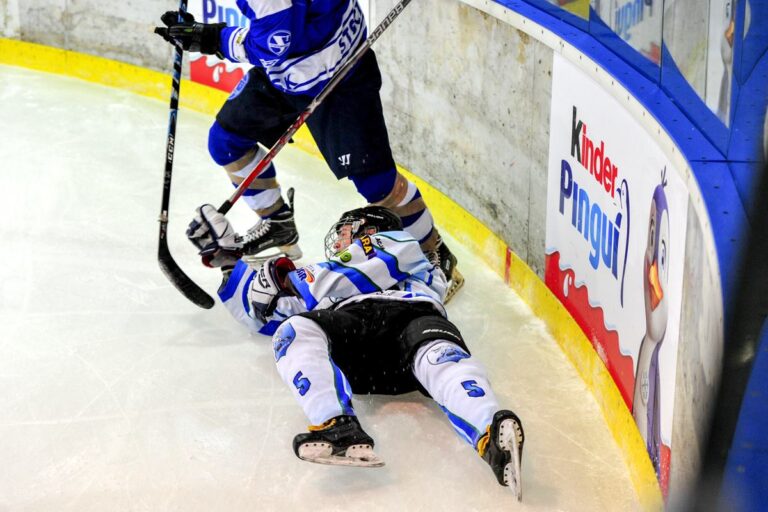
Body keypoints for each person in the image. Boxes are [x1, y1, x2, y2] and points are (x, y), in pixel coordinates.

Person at [186, 203, 525, 499]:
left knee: (439, 356)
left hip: (410, 315)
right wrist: (229, 260)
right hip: (357, 337)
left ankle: (490, 436)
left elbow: (356, 275)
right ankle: (337, 426)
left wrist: (289, 278)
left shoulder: (399, 246)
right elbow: (262, 317)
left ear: (368, 227)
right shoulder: (332, 277)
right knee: (294, 331)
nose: (336, 241)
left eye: (344, 231)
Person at [154, 2, 464, 301]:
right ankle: (278, 225)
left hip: (339, 73)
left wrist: (212, 38)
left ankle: (436, 257)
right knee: (227, 141)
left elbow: (276, 42)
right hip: (289, 71)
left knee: (378, 184)